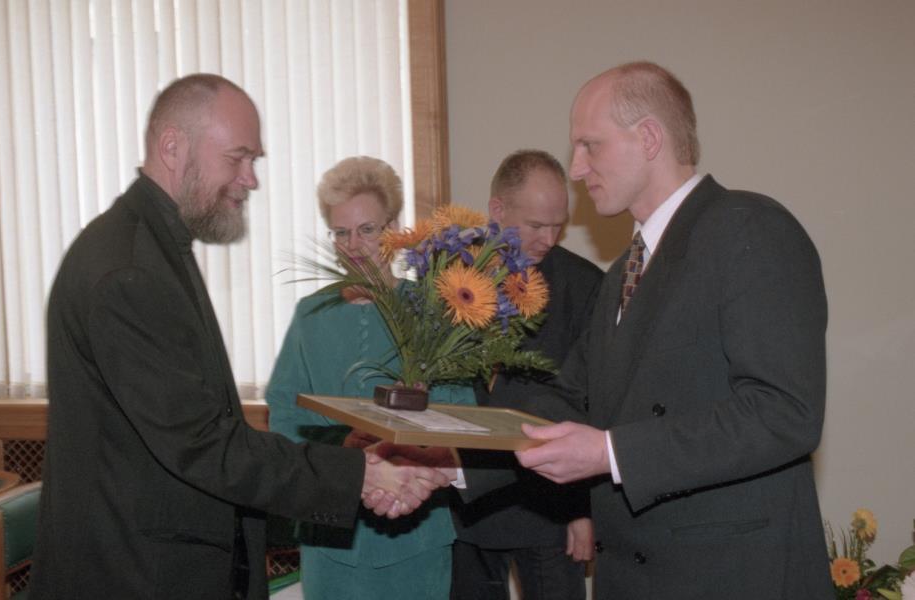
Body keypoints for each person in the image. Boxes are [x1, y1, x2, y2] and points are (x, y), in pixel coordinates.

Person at [31, 74, 450, 600]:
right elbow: (201, 442)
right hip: (133, 573)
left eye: (254, 160)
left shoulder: (153, 248)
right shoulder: (130, 271)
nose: (250, 179)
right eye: (238, 158)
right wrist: (356, 475)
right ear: (172, 147)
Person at [515, 61, 834, 599]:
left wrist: (612, 454)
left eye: (590, 145)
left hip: (731, 580)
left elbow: (785, 412)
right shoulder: (623, 272)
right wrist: (449, 456)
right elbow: (570, 399)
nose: (576, 168)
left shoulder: (749, 228)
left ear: (648, 138)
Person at [266, 155, 476, 600]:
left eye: (367, 229)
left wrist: (411, 463)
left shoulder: (431, 310)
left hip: (416, 529)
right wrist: (341, 451)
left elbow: (463, 415)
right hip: (331, 535)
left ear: (393, 229)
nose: (353, 245)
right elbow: (285, 415)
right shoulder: (310, 315)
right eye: (340, 232)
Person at [450, 150, 603, 600]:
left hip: (550, 508)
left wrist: (582, 509)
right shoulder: (451, 279)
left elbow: (592, 404)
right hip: (466, 507)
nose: (549, 239)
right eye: (536, 225)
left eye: (559, 225)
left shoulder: (584, 285)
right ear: (497, 210)